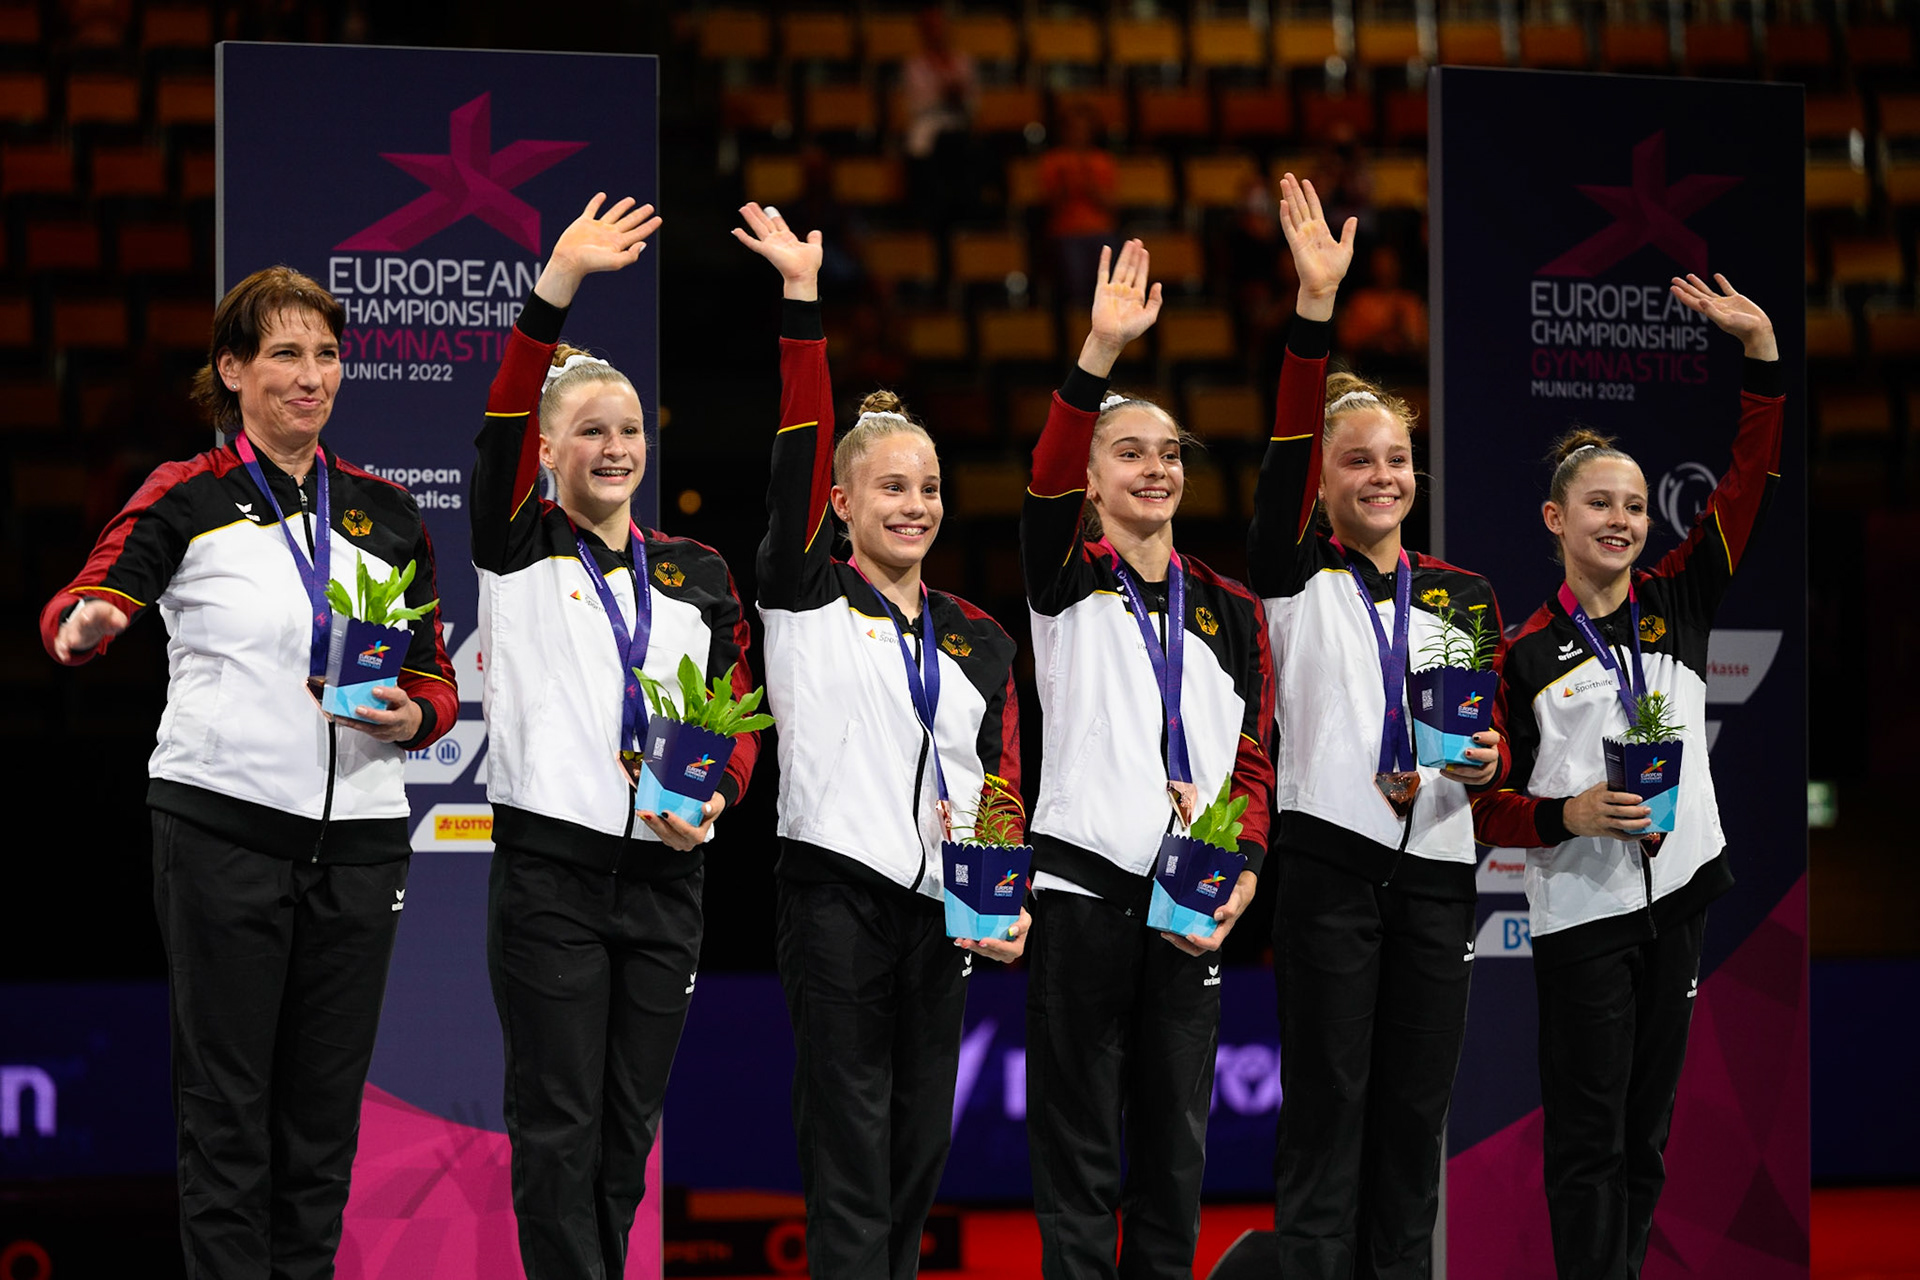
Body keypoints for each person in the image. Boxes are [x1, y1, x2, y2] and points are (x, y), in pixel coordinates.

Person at [40, 265, 458, 1278]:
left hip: (357, 847)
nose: (311, 377)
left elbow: (434, 674)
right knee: (227, 1118)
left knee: (320, 1126)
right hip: (222, 834)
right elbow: (91, 595)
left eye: (326, 355)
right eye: (285, 355)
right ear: (232, 369)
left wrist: (414, 715)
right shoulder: (188, 495)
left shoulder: (387, 511)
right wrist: (87, 625)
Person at [471, 193, 762, 1280]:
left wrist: (722, 793)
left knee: (624, 1143)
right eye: (589, 428)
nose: (615, 446)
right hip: (552, 875)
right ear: (545, 448)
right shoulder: (515, 538)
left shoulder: (694, 571)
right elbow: (498, 417)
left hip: (668, 880)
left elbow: (736, 708)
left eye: (630, 428)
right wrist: (556, 287)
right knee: (557, 1131)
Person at [735, 201, 1028, 1280]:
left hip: (941, 911)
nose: (915, 504)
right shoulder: (804, 594)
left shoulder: (980, 638)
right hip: (835, 900)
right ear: (845, 503)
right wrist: (803, 308)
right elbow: (798, 452)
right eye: (890, 487)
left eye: (930, 487)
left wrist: (1003, 896)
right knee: (851, 1148)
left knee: (920, 1147)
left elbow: (998, 781)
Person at [1471, 274, 1782, 1280]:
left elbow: (1749, 476)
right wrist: (1567, 812)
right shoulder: (1520, 653)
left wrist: (1763, 355)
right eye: (1600, 502)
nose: (1622, 518)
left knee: (1646, 1138)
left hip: (1681, 896)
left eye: (1637, 505)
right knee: (1588, 1139)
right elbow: (1484, 806)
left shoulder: (1680, 597)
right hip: (1582, 920)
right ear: (1556, 518)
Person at [1246, 174, 1508, 1280]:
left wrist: (1488, 759)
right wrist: (1316, 310)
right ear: (1325, 481)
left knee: (1411, 1124)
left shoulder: (1463, 592)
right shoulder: (1294, 570)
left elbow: (1484, 728)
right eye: (1358, 460)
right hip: (1331, 873)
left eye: (1397, 458)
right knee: (1329, 1117)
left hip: (1441, 871)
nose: (1384, 475)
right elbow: (1286, 454)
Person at [1021, 239, 1275, 1280]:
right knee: (1077, 1146)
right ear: (1090, 475)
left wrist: (1248, 868)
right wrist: (1099, 352)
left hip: (1195, 897)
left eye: (1168, 452)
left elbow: (1255, 761)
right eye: (1129, 451)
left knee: (1175, 1151)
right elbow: (1037, 485)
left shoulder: (1230, 607)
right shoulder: (1064, 575)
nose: (1156, 467)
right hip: (1081, 892)